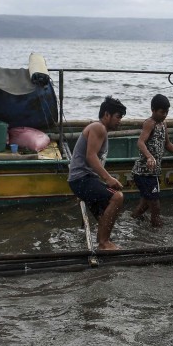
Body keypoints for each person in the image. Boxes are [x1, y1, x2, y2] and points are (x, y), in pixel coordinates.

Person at [67, 96, 127, 251]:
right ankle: (104, 243)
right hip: (81, 179)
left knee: (104, 214)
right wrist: (108, 178)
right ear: (106, 114)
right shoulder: (98, 127)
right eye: (118, 117)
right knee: (117, 197)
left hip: (84, 179)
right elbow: (91, 155)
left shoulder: (101, 130)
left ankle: (103, 244)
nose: (119, 120)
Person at [131, 94, 173, 227]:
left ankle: (133, 220)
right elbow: (140, 142)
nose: (164, 115)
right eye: (162, 112)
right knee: (155, 205)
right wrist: (149, 157)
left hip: (154, 173)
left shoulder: (163, 124)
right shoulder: (149, 123)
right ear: (153, 110)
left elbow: (168, 144)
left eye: (166, 112)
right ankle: (157, 230)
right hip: (143, 172)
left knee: (146, 203)